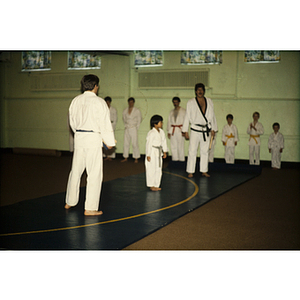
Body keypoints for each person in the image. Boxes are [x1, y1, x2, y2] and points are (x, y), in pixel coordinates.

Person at [65, 74, 115, 216]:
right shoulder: (99, 102)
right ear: (96, 86)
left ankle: (70, 201)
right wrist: (109, 142)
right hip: (93, 138)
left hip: (79, 138)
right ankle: (90, 208)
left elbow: (72, 123)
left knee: (75, 171)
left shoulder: (76, 100)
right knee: (94, 174)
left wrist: (80, 133)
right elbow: (105, 124)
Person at [182, 83, 218, 177]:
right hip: (195, 129)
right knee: (192, 151)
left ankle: (204, 170)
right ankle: (190, 171)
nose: (200, 91)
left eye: (201, 90)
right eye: (198, 90)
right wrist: (185, 130)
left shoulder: (209, 101)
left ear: (204, 91)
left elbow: (213, 115)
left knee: (205, 151)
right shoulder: (191, 102)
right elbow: (187, 116)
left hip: (206, 129)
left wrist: (213, 128)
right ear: (195, 91)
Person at [145, 115, 168, 191]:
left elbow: (164, 141)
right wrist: (148, 155)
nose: (162, 124)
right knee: (151, 169)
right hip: (152, 152)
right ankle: (151, 185)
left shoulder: (161, 132)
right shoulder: (151, 133)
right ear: (155, 124)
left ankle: (156, 184)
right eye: (160, 122)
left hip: (159, 152)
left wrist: (165, 151)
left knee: (158, 169)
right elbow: (148, 144)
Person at [121, 97, 142, 163]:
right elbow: (124, 118)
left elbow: (139, 119)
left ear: (133, 103)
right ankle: (125, 157)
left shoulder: (137, 110)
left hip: (133, 127)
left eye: (132, 102)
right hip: (127, 128)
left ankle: (136, 157)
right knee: (126, 143)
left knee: (134, 143)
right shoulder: (125, 110)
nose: (130, 103)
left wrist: (137, 127)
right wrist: (125, 125)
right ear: (128, 103)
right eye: (129, 102)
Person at [167, 96, 186, 161]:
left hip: (180, 129)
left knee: (180, 146)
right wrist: (169, 131)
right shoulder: (171, 112)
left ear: (179, 102)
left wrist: (185, 131)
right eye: (174, 102)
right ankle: (174, 160)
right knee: (173, 146)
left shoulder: (183, 111)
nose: (175, 104)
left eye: (176, 102)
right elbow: (169, 121)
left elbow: (186, 121)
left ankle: (181, 160)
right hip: (173, 130)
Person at [103, 96, 118, 160]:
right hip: (104, 126)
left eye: (108, 102)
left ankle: (111, 156)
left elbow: (115, 119)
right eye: (106, 102)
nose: (107, 103)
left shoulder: (113, 109)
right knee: (105, 141)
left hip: (111, 126)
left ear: (110, 102)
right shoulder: (103, 109)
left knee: (111, 141)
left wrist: (113, 128)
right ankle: (106, 155)